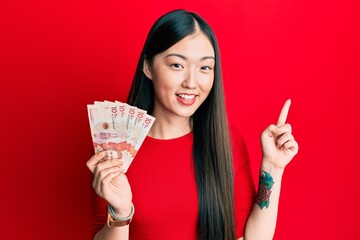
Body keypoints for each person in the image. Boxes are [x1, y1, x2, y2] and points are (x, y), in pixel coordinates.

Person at [86, 9, 298, 240]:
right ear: (148, 67)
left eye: (205, 67)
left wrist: (273, 168)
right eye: (177, 65)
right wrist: (121, 212)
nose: (191, 82)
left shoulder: (228, 142)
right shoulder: (116, 147)